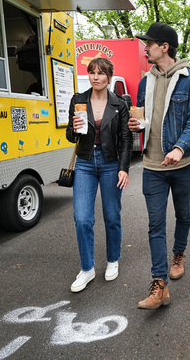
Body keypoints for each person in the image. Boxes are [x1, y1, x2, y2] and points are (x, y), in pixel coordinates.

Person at [128, 22, 190, 309]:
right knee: (155, 224)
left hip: (182, 163)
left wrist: (179, 147)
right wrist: (138, 124)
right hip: (152, 164)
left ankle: (179, 254)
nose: (145, 47)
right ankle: (160, 285)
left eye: (149, 43)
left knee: (182, 214)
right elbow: (145, 118)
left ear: (164, 46)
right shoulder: (144, 81)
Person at [65, 57, 131, 293]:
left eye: (101, 73)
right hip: (84, 162)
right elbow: (71, 137)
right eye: (92, 72)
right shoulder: (79, 99)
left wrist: (124, 167)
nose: (96, 77)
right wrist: (72, 128)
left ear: (109, 77)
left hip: (111, 163)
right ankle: (87, 268)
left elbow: (125, 139)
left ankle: (113, 260)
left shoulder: (119, 104)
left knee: (112, 215)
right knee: (82, 218)